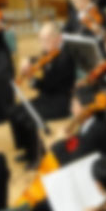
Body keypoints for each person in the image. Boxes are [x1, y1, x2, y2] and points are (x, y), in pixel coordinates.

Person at [10, 23, 75, 167]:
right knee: (14, 111)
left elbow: (50, 86)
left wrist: (33, 80)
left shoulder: (65, 58)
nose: (42, 44)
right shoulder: (48, 53)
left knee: (28, 118)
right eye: (41, 40)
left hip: (60, 102)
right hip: (47, 97)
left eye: (46, 40)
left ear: (58, 38)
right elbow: (37, 59)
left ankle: (36, 157)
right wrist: (27, 60)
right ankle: (26, 150)